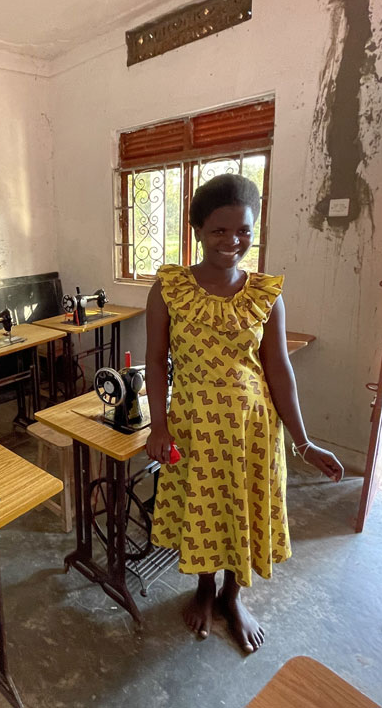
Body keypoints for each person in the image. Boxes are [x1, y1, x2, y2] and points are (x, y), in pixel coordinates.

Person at [144, 173, 344, 653]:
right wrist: (158, 425)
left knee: (242, 511)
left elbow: (278, 371)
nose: (232, 241)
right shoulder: (170, 289)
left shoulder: (265, 295)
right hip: (194, 428)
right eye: (219, 230)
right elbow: (154, 360)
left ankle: (233, 599)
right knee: (204, 510)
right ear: (197, 230)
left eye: (244, 231)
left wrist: (303, 440)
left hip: (253, 430)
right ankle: (204, 590)